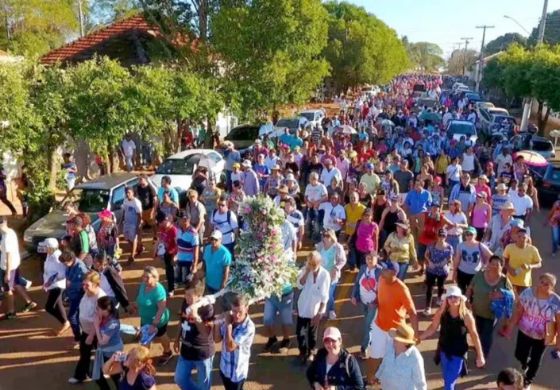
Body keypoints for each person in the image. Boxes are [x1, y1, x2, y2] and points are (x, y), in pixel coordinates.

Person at [419, 285, 485, 390]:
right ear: (446, 300)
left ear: (460, 299)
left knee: (449, 382)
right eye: (450, 297)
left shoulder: (467, 316)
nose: (453, 299)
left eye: (455, 297)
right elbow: (432, 328)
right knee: (447, 378)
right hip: (444, 350)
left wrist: (480, 355)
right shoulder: (442, 313)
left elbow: (474, 335)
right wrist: (418, 338)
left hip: (458, 354)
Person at [501, 273, 560, 388]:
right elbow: (518, 311)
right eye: (541, 282)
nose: (542, 285)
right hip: (524, 331)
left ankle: (528, 380)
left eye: (546, 284)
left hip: (543, 336)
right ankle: (524, 364)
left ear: (552, 287)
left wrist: (558, 343)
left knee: (536, 359)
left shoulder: (556, 301)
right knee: (519, 354)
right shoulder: (527, 293)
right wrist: (509, 327)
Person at [366, 262, 418, 384]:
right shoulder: (381, 279)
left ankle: (387, 381)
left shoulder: (402, 289)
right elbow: (379, 295)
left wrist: (416, 334)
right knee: (374, 355)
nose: (382, 271)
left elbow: (412, 312)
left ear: (394, 273)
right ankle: (370, 378)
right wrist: (375, 302)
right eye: (382, 268)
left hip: (395, 332)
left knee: (391, 358)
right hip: (379, 325)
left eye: (385, 270)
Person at [467, 255, 514, 358]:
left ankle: (482, 356)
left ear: (502, 266)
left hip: (491, 314)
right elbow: (470, 287)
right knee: (477, 331)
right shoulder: (480, 275)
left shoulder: (504, 280)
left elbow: (512, 296)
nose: (494, 266)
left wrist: (501, 294)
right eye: (492, 264)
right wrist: (467, 300)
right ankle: (478, 347)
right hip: (476, 310)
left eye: (497, 265)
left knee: (486, 336)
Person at [174, 279, 215, 390]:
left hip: (202, 354)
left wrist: (196, 316)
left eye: (190, 296)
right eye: (185, 294)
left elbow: (205, 333)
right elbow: (181, 321)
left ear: (199, 296)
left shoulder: (208, 308)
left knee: (204, 386)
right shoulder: (185, 302)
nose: (186, 299)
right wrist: (177, 339)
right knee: (179, 379)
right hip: (186, 350)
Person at [68, 271, 107, 384]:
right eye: (83, 284)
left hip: (96, 333)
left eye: (87, 285)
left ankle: (106, 371)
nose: (84, 287)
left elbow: (99, 320)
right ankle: (81, 375)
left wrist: (91, 335)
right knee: (84, 353)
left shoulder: (101, 298)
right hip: (87, 330)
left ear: (96, 285)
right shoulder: (87, 292)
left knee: (102, 355)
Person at [129, 266, 172, 366]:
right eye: (143, 276)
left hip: (158, 321)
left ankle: (167, 352)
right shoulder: (143, 285)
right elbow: (140, 298)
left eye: (147, 277)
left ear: (155, 277)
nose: (144, 279)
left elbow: (161, 309)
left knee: (162, 336)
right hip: (145, 319)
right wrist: (135, 305)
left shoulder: (159, 291)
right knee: (145, 340)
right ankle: (145, 359)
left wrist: (154, 325)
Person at [215, 293, 256, 390]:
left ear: (247, 309)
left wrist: (228, 326)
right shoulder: (229, 317)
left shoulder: (249, 327)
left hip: (237, 373)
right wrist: (217, 323)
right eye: (234, 311)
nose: (237, 315)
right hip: (225, 368)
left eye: (240, 312)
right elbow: (216, 339)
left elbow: (230, 347)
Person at [296, 251, 330, 365]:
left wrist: (319, 314)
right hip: (303, 307)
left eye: (314, 265)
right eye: (310, 264)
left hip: (315, 309)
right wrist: (306, 272)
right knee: (300, 332)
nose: (312, 267)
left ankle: (311, 351)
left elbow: (325, 297)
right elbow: (299, 285)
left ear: (319, 263)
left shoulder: (325, 275)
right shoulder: (306, 270)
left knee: (312, 333)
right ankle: (302, 351)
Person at [0, 217, 36, 319]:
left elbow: (8, 256)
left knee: (7, 289)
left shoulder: (6, 237)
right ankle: (29, 302)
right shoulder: (10, 231)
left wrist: (7, 273)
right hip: (14, 265)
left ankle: (11, 312)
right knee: (15, 283)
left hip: (8, 267)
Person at [375, 322, 427, 390]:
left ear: (405, 343)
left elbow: (421, 384)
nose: (393, 339)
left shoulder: (415, 359)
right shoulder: (390, 345)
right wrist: (377, 376)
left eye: (397, 338)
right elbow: (384, 363)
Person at [351, 251, 383, 358]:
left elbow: (383, 290)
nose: (369, 260)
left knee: (368, 325)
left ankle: (364, 348)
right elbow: (357, 283)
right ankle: (371, 338)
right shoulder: (363, 268)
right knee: (368, 322)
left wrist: (375, 301)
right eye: (367, 258)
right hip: (363, 301)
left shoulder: (380, 272)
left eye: (371, 258)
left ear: (376, 259)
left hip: (373, 304)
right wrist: (353, 296)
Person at [91, 296, 123, 390]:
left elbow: (102, 342)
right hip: (106, 351)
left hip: (112, 353)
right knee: (98, 375)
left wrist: (96, 325)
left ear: (105, 310)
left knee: (115, 376)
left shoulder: (112, 323)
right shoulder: (104, 317)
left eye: (98, 308)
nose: (96, 310)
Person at [316, 229, 346, 320]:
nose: (325, 237)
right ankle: (323, 311)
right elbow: (316, 258)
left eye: (327, 236)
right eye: (324, 235)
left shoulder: (337, 247)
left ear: (332, 237)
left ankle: (331, 310)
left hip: (332, 275)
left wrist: (336, 268)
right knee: (322, 293)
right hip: (321, 275)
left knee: (328, 293)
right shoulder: (320, 245)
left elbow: (343, 260)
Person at [41, 238, 70, 334]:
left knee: (49, 307)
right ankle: (65, 322)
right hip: (52, 285)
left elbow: (62, 273)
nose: (44, 248)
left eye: (46, 246)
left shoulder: (57, 257)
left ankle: (65, 322)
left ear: (50, 248)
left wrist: (50, 281)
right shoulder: (50, 254)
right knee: (58, 304)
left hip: (57, 286)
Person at [452, 226, 493, 294]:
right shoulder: (460, 245)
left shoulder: (480, 245)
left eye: (471, 234)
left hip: (474, 274)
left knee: (473, 293)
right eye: (467, 234)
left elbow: (491, 256)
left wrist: (485, 266)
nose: (469, 236)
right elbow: (457, 259)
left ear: (475, 235)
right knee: (461, 291)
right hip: (462, 272)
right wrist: (454, 272)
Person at [503, 227, 542, 295]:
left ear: (527, 238)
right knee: (509, 300)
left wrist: (530, 266)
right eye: (519, 237)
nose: (521, 239)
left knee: (523, 303)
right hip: (510, 281)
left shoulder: (533, 249)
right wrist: (510, 269)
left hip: (524, 282)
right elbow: (505, 261)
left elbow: (539, 263)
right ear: (516, 238)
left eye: (524, 237)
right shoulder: (509, 247)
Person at [424, 228, 454, 315]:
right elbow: (426, 254)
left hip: (442, 271)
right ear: (437, 236)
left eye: (443, 236)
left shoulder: (449, 247)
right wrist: (430, 262)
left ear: (446, 236)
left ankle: (439, 298)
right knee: (430, 288)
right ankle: (427, 307)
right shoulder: (431, 245)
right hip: (431, 269)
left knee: (441, 286)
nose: (441, 237)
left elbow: (450, 259)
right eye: (440, 235)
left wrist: (445, 262)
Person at [154, 214, 178, 297]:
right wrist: (155, 251)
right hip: (166, 253)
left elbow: (177, 244)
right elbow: (160, 240)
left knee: (171, 271)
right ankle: (171, 285)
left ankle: (172, 289)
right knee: (168, 271)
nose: (160, 224)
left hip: (172, 253)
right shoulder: (162, 228)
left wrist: (175, 255)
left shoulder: (174, 230)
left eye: (161, 222)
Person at [202, 230, 232, 295]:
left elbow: (226, 271)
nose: (213, 241)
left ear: (220, 240)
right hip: (208, 282)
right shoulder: (207, 248)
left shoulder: (225, 254)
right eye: (211, 239)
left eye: (216, 239)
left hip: (218, 286)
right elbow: (204, 263)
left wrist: (223, 285)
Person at [175, 212, 200, 285]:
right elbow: (178, 245)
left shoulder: (193, 234)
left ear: (186, 220)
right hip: (179, 260)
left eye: (179, 219)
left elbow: (196, 251)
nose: (178, 221)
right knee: (179, 279)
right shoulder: (178, 230)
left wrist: (194, 266)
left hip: (188, 262)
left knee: (187, 282)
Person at [304, 172, 329, 239]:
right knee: (308, 221)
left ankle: (316, 237)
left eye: (313, 179)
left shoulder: (321, 186)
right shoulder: (308, 186)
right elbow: (305, 197)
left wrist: (318, 202)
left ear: (316, 179)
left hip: (319, 208)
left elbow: (326, 197)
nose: (311, 180)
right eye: (311, 179)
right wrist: (307, 203)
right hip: (310, 207)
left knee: (316, 223)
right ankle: (310, 234)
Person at [122, 187, 143, 264]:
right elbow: (124, 211)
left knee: (133, 239)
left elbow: (140, 215)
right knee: (127, 238)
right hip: (126, 223)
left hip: (134, 224)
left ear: (133, 193)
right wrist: (122, 221)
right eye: (126, 193)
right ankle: (139, 248)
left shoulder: (136, 202)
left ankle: (132, 256)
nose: (127, 194)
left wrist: (138, 225)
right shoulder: (125, 200)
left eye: (129, 193)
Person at [137, 174, 158, 240]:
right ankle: (140, 240)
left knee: (153, 224)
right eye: (139, 180)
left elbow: (155, 200)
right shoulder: (138, 187)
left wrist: (153, 211)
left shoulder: (150, 188)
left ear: (145, 180)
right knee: (140, 225)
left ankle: (155, 235)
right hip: (142, 210)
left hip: (150, 209)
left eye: (141, 180)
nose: (140, 181)